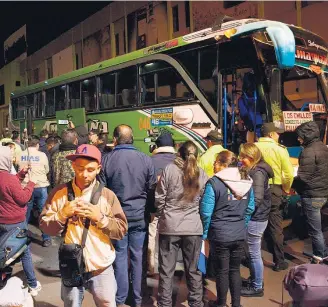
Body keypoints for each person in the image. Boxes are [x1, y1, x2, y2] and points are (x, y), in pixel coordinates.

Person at [40, 144, 128, 307]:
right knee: (71, 303)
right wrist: (62, 214)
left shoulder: (107, 196)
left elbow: (121, 230)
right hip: (71, 263)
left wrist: (100, 217)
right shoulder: (59, 193)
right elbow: (45, 226)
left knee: (107, 302)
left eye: (90, 169)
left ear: (98, 169)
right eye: (80, 168)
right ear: (73, 165)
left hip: (101, 264)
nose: (84, 174)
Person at [101, 124, 156, 307]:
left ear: (115, 139)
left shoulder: (107, 160)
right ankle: (138, 298)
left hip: (116, 218)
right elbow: (151, 190)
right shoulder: (146, 159)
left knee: (120, 257)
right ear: (131, 138)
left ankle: (120, 299)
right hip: (139, 216)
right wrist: (149, 211)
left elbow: (102, 192)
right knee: (138, 257)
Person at [156, 141, 208, 307]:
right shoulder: (201, 173)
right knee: (193, 270)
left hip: (170, 226)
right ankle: (196, 303)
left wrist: (162, 215)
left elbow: (159, 198)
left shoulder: (169, 170)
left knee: (166, 271)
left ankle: (164, 303)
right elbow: (204, 201)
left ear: (179, 153)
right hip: (193, 227)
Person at [200, 150, 254, 307]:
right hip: (238, 233)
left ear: (224, 164)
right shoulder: (247, 181)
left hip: (220, 234)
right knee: (235, 270)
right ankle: (236, 304)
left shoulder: (214, 183)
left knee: (222, 271)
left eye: (216, 162)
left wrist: (205, 233)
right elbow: (250, 208)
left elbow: (206, 212)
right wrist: (241, 225)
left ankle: (221, 303)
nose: (213, 165)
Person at [0, 146, 41, 297]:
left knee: (4, 250)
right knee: (24, 253)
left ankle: (4, 279)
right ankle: (32, 284)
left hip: (2, 221)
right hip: (15, 222)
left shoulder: (7, 178)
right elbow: (23, 199)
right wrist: (31, 183)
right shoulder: (8, 178)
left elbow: (6, 188)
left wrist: (20, 174)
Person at [256, 122, 294, 271]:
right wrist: (286, 188)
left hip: (256, 190)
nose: (279, 135)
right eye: (277, 133)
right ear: (271, 134)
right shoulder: (280, 150)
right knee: (275, 226)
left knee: (254, 225)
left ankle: (252, 259)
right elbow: (288, 173)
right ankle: (279, 261)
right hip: (274, 190)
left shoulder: (252, 148)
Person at [238, 143, 273, 297]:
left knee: (253, 253)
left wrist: (245, 214)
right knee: (253, 252)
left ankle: (257, 286)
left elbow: (257, 198)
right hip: (258, 216)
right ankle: (255, 279)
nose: (240, 159)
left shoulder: (257, 173)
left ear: (251, 158)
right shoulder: (256, 170)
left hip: (256, 218)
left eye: (243, 157)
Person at [293, 121, 328, 258]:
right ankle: (321, 251)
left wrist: (292, 184)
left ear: (307, 135)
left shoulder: (308, 152)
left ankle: (320, 256)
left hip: (313, 195)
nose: (298, 139)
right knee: (319, 226)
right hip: (324, 193)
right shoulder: (324, 148)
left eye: (300, 136)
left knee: (315, 230)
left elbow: (303, 177)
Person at [147, 132, 176, 275]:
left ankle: (151, 267)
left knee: (152, 234)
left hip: (154, 205)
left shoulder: (150, 160)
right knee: (170, 238)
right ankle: (169, 267)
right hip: (175, 207)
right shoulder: (180, 161)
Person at [17, 135, 51, 247]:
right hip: (40, 185)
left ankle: (22, 236)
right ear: (37, 145)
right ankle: (46, 238)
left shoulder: (21, 154)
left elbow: (18, 169)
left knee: (25, 212)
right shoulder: (42, 155)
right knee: (43, 213)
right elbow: (47, 169)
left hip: (25, 186)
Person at [238, 72, 263, 142]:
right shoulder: (260, 97)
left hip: (256, 130)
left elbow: (244, 116)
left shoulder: (242, 100)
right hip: (258, 130)